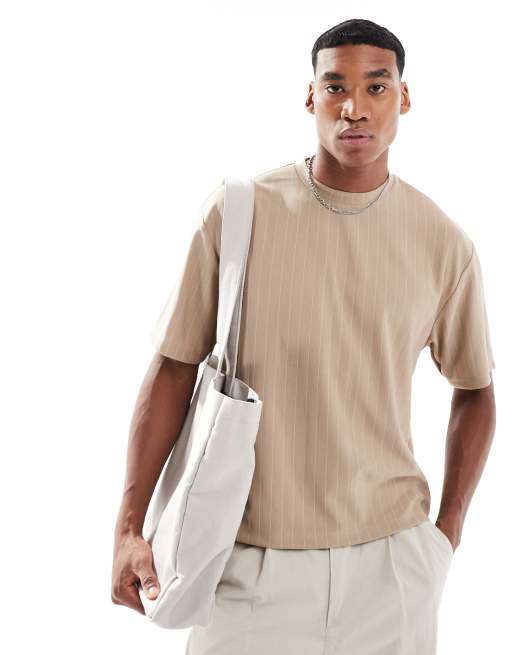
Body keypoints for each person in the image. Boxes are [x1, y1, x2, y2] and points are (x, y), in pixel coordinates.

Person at [111, 18, 497, 654]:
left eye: (376, 87)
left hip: (391, 570)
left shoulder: (442, 243)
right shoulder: (240, 213)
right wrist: (128, 527)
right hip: (245, 568)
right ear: (310, 96)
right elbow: (174, 368)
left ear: (403, 97)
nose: (354, 108)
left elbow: (475, 389)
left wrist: (445, 533)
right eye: (335, 86)